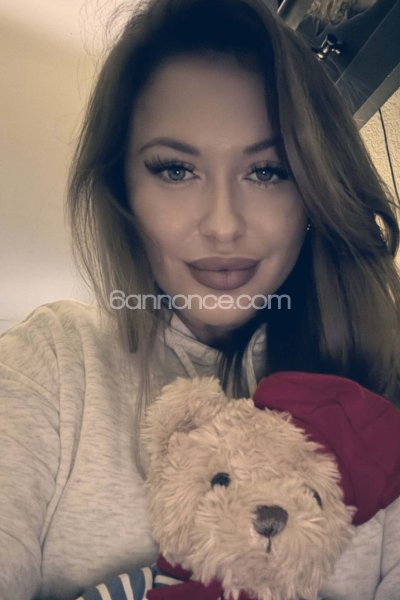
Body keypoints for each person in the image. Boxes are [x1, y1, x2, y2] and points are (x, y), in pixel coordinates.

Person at [0, 0, 399, 599]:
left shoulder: (384, 397)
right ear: (122, 191)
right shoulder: (50, 366)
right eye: (175, 170)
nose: (222, 225)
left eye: (268, 171)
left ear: (316, 190)